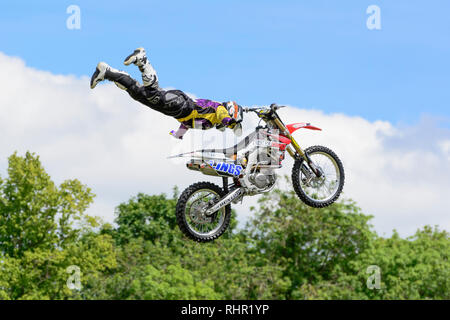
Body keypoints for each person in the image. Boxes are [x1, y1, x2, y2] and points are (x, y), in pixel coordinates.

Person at [90, 47, 243, 139]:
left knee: (138, 94)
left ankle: (107, 72)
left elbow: (188, 123)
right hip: (182, 104)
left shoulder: (210, 122)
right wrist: (231, 124)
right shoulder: (219, 109)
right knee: (153, 94)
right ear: (232, 111)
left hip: (177, 112)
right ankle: (143, 60)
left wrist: (179, 134)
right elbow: (224, 117)